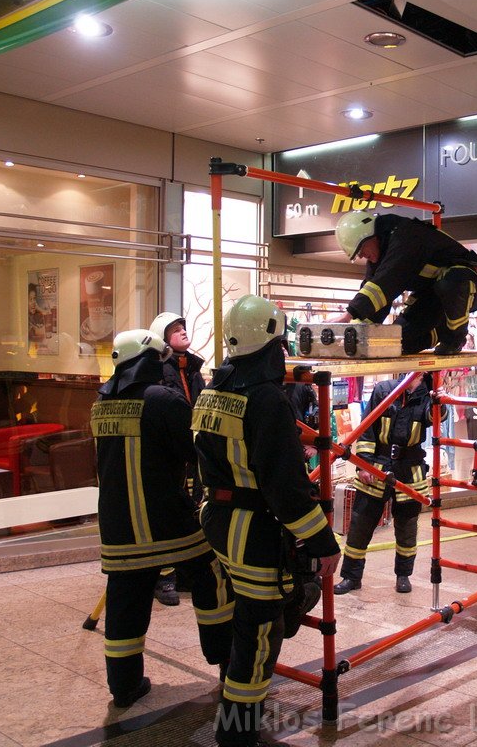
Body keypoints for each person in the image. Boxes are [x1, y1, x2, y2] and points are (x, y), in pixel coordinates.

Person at [193, 295, 340, 747]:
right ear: (271, 343)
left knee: (245, 615)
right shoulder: (267, 402)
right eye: (280, 342)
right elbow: (287, 488)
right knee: (260, 634)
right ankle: (236, 733)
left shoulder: (213, 389)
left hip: (215, 521)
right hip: (252, 528)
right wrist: (323, 543)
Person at [92, 329, 233, 709]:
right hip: (167, 521)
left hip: (118, 526)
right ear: (152, 361)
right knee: (212, 579)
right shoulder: (163, 400)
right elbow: (195, 451)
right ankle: (226, 664)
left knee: (126, 601)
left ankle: (124, 687)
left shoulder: (100, 403)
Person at [334, 372, 442, 595]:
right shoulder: (385, 389)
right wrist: (364, 463)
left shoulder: (428, 395)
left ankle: (403, 575)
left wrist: (439, 400)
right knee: (360, 525)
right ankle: (351, 577)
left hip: (410, 468)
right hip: (377, 466)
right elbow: (367, 426)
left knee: (407, 527)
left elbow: (436, 420)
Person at [331, 210, 477, 355]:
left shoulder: (406, 236)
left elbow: (386, 282)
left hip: (471, 283)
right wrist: (353, 332)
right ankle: (441, 331)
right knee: (399, 342)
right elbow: (374, 296)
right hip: (433, 295)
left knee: (451, 283)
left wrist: (348, 315)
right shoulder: (379, 255)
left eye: (360, 251)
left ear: (369, 236)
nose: (360, 256)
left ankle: (455, 339)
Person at [148, 311, 207, 606]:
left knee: (193, 510)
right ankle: (164, 577)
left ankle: (184, 574)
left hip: (193, 452)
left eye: (184, 326)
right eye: (176, 329)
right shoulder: (160, 371)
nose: (183, 331)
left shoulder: (193, 370)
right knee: (168, 513)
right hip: (172, 455)